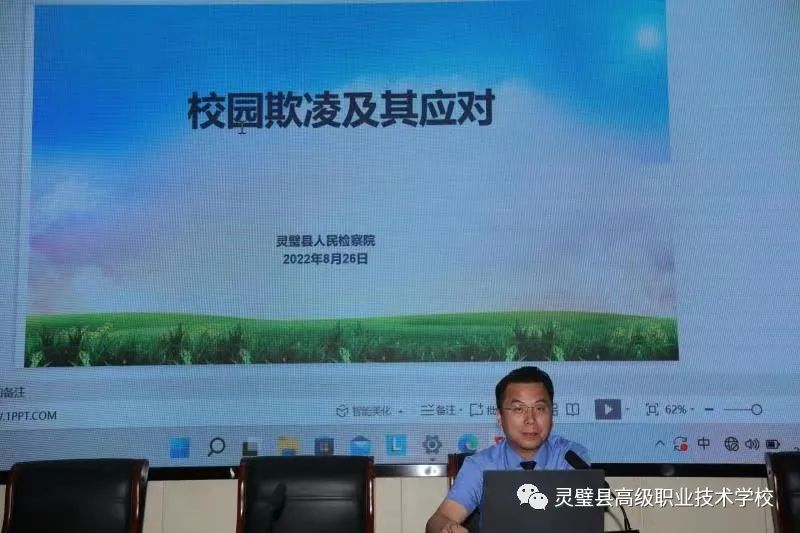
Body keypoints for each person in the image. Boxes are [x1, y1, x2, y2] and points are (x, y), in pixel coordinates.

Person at [425, 366, 589, 533]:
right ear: (499, 418)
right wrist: (446, 528)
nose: (530, 419)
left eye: (540, 408)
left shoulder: (572, 459)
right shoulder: (480, 466)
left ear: (551, 414)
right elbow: (438, 519)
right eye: (518, 409)